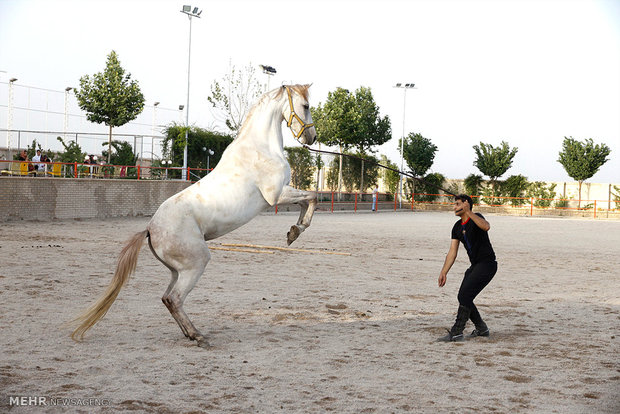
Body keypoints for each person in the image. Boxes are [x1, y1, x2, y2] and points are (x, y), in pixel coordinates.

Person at [437, 194, 497, 342]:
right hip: (475, 265)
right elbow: (452, 252)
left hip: (487, 264)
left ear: (466, 204)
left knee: (465, 296)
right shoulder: (457, 227)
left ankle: (457, 331)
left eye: (458, 204)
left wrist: (469, 211)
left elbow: (486, 226)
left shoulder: (477, 217)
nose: (454, 207)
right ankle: (481, 329)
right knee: (463, 296)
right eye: (455, 204)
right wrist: (444, 271)